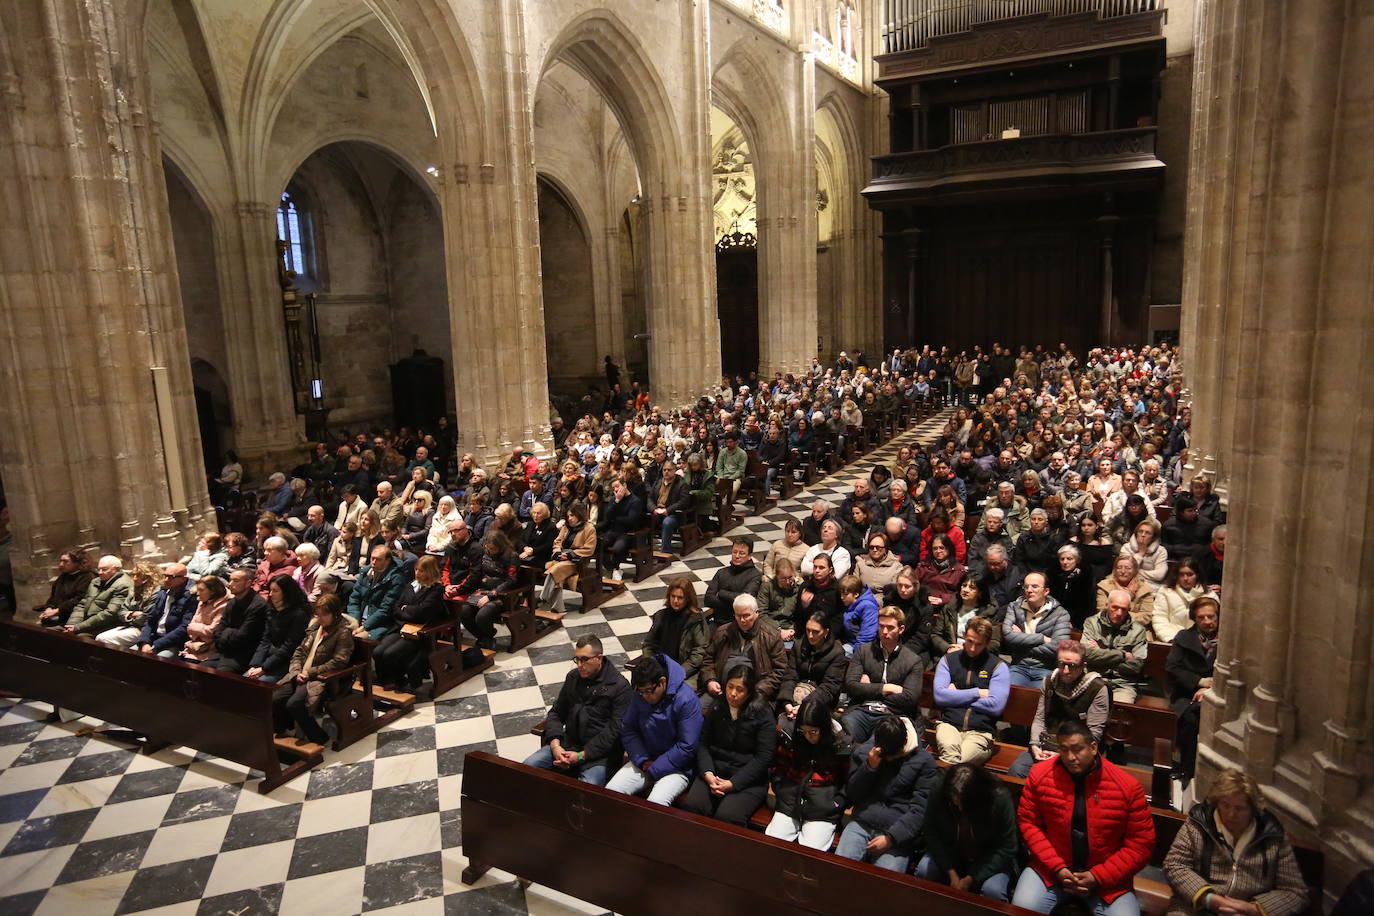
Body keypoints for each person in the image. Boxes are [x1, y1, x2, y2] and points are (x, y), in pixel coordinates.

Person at [1013, 719, 1155, 916]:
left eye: (1077, 749)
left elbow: (1141, 843)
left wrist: (1097, 876)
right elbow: (1029, 824)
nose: (1070, 757)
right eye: (1064, 749)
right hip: (1050, 870)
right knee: (1021, 908)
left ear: (1093, 747)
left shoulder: (1127, 786)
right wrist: (1058, 867)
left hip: (1107, 880)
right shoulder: (1039, 775)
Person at [1163, 768, 1309, 916]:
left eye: (1240, 808)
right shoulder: (1198, 824)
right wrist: (1208, 898)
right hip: (1198, 906)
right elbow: (1174, 864)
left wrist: (1253, 909)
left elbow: (1295, 892)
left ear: (1253, 809)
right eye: (1225, 805)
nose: (1231, 814)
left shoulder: (1272, 836)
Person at [523, 634, 632, 787]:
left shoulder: (619, 687)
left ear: (599, 658)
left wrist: (581, 755)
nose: (579, 665)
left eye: (584, 659)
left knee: (586, 787)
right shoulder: (573, 677)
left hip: (598, 756)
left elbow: (613, 733)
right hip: (567, 745)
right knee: (527, 768)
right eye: (577, 659)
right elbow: (556, 713)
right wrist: (555, 745)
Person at [836, 714, 937, 873]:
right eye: (885, 754)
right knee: (839, 869)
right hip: (863, 821)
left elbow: (920, 810)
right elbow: (853, 794)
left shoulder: (924, 762)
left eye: (893, 755)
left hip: (897, 831)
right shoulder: (868, 752)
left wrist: (892, 838)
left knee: (886, 882)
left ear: (904, 742)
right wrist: (869, 768)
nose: (888, 759)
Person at [679, 664, 777, 825]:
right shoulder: (717, 706)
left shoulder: (763, 714)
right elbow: (703, 744)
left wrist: (733, 783)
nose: (732, 694)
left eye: (740, 690)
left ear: (750, 692)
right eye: (730, 687)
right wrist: (708, 774)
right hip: (715, 772)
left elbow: (763, 758)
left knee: (727, 817)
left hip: (747, 780)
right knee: (693, 806)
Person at [606, 655, 703, 805]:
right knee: (610, 793)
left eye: (649, 691)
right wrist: (643, 760)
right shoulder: (641, 695)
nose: (645, 696)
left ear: (662, 682)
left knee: (655, 804)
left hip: (678, 767)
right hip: (646, 759)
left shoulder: (686, 700)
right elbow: (628, 729)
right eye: (641, 692)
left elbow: (687, 746)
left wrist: (655, 768)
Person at [918, 764, 1020, 901]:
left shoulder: (999, 798)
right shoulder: (941, 787)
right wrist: (950, 871)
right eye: (953, 799)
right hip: (951, 852)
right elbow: (931, 830)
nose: (957, 805)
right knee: (924, 869)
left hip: (988, 857)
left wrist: (971, 878)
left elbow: (1008, 846)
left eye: (962, 802)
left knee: (994, 890)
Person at [1009, 640, 1109, 778]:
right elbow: (1040, 718)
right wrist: (1034, 745)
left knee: (1062, 779)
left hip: (1077, 751)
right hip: (1047, 744)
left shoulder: (1097, 688)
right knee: (1017, 770)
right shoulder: (1049, 681)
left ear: (1083, 666)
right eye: (1062, 664)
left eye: (1072, 666)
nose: (1065, 671)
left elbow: (1094, 734)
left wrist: (1063, 754)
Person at [766, 693, 852, 850]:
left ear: (823, 728)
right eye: (803, 731)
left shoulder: (841, 744)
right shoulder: (791, 737)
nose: (808, 736)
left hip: (823, 806)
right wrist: (779, 786)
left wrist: (837, 803)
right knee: (773, 843)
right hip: (790, 799)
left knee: (811, 850)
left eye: (813, 732)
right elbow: (778, 766)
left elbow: (848, 781)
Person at [271, 594, 354, 745]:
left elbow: (338, 662)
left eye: (325, 614)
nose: (320, 618)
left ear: (335, 614)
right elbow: (298, 652)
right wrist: (296, 671)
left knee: (294, 704)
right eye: (318, 614)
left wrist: (310, 673)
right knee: (275, 697)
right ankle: (283, 729)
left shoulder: (342, 633)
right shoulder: (315, 629)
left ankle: (318, 737)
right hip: (300, 674)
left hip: (320, 679)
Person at [841, 606, 924, 744]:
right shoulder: (864, 651)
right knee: (844, 739)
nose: (884, 632)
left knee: (878, 744)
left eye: (890, 627)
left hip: (892, 715)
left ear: (901, 629)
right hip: (862, 710)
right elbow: (851, 686)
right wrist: (886, 688)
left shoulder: (913, 660)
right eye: (881, 626)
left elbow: (910, 699)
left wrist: (867, 688)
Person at [932, 617, 1009, 765]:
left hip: (981, 732)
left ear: (987, 643)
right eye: (969, 641)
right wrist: (978, 693)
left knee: (958, 762)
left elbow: (996, 706)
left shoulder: (998, 667)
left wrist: (955, 696)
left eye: (979, 644)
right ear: (964, 636)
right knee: (952, 756)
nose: (972, 648)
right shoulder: (948, 660)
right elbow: (940, 697)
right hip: (949, 725)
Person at [372, 555, 447, 689]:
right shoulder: (410, 585)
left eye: (421, 571)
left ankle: (398, 680)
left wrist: (406, 610)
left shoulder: (435, 589)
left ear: (430, 571)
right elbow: (396, 607)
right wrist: (406, 611)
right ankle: (384, 680)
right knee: (378, 651)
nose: (417, 573)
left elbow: (423, 611)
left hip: (419, 633)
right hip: (400, 626)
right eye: (416, 569)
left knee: (390, 653)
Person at [700, 594, 790, 704]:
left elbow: (780, 670)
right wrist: (710, 680)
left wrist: (759, 690)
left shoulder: (771, 636)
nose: (742, 620)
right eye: (738, 616)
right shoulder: (722, 632)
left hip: (755, 693)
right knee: (697, 709)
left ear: (757, 613)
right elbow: (708, 659)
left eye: (746, 616)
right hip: (721, 690)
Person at [1168, 596, 1220, 782]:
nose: (1207, 621)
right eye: (1202, 618)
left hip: (1219, 693)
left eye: (1211, 617)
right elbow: (1173, 668)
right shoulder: (1184, 637)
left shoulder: (1229, 641)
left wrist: (1210, 688)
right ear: (1195, 619)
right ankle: (1185, 767)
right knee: (1190, 716)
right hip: (1186, 692)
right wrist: (1200, 682)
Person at [640, 576, 711, 692]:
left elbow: (699, 652)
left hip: (685, 670)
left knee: (676, 693)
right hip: (660, 667)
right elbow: (648, 644)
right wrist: (651, 665)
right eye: (673, 596)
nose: (675, 601)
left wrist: (678, 672)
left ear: (688, 599)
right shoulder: (661, 616)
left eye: (680, 598)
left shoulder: (695, 619)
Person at [1002, 572, 1072, 688]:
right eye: (1026, 586)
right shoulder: (1014, 607)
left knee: (1041, 697)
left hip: (1046, 668)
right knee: (1009, 692)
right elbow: (1009, 637)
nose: (1029, 590)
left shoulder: (1060, 614)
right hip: (1018, 666)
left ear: (1046, 591)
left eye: (1034, 586)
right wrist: (1042, 638)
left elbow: (1059, 647)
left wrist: (1021, 640)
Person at [776, 610, 847, 717]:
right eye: (808, 630)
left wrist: (805, 705)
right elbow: (790, 675)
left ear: (826, 632)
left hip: (820, 700)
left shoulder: (837, 652)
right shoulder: (799, 645)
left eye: (815, 631)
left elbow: (830, 687)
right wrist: (787, 702)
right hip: (796, 694)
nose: (810, 635)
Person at [1082, 589, 1149, 702]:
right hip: (1094, 678)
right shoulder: (1092, 623)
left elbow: (1137, 665)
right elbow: (1086, 654)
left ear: (1129, 609)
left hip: (1123, 684)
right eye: (1115, 607)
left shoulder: (1138, 630)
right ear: (1107, 605)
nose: (1119, 613)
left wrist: (1101, 653)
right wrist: (1122, 656)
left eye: (1123, 609)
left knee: (1121, 711)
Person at [245, 574, 312, 682]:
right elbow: (265, 640)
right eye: (270, 590)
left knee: (257, 686)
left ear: (286, 592)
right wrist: (255, 664)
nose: (271, 594)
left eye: (275, 591)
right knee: (244, 680)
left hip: (286, 662)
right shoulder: (272, 610)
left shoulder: (299, 614)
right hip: (269, 658)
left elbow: (289, 647)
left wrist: (264, 668)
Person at [200, 567, 268, 674]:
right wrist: (227, 634)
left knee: (221, 676)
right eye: (230, 580)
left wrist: (227, 632)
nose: (230, 584)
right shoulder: (232, 602)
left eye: (236, 581)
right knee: (199, 670)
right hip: (224, 651)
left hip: (243, 654)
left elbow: (244, 636)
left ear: (248, 583)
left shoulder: (258, 605)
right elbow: (219, 629)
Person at [932, 572, 1003, 657]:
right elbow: (935, 635)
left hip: (977, 656)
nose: (966, 590)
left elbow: (994, 643)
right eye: (964, 585)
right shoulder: (949, 608)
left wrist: (967, 648)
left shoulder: (990, 612)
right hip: (951, 653)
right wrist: (948, 648)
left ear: (980, 592)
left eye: (972, 588)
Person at [62, 555, 132, 638]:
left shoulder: (123, 585)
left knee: (79, 640)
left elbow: (110, 614)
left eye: (104, 569)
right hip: (87, 624)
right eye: (99, 569)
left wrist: (78, 627)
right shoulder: (95, 582)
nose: (100, 572)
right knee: (58, 635)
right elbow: (82, 605)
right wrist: (71, 625)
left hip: (106, 626)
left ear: (116, 569)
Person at [703, 536, 763, 627]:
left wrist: (721, 594)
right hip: (718, 622)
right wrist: (731, 604)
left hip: (741, 624)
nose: (737, 556)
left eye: (742, 553)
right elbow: (708, 599)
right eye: (735, 552)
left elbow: (744, 602)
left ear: (750, 556)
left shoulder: (755, 575)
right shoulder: (721, 572)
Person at [1152, 557, 1206, 644]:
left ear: (1197, 575)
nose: (1185, 578)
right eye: (1181, 574)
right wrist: (1171, 638)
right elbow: (1159, 618)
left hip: (1200, 643)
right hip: (1171, 640)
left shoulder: (1209, 595)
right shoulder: (1165, 591)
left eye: (1189, 574)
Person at [179, 575, 230, 662]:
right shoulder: (202, 601)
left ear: (213, 591)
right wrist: (197, 630)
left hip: (210, 650)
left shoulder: (225, 605)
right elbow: (190, 626)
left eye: (201, 590)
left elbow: (213, 631)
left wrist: (194, 628)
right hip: (193, 645)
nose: (198, 593)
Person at [1051, 543, 1097, 629]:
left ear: (1077, 560)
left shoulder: (1086, 577)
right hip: (1055, 619)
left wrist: (1074, 622)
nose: (1065, 562)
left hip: (1078, 622)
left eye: (1069, 559)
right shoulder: (1053, 576)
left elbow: (1087, 605)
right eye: (1062, 559)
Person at [757, 558, 800, 638]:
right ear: (776, 576)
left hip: (791, 627)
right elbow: (761, 613)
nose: (787, 582)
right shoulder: (767, 587)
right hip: (770, 626)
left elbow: (800, 615)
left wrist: (793, 630)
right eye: (783, 579)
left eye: (790, 577)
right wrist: (778, 630)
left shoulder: (798, 588)